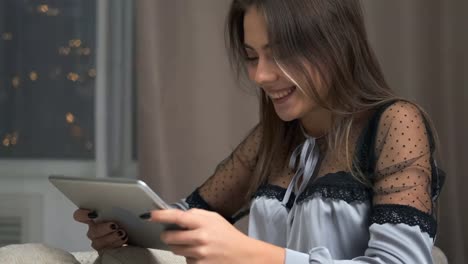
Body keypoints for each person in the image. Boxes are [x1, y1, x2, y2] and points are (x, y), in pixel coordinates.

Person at [74, 0, 445, 263]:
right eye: (252, 56)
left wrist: (253, 256)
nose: (260, 75)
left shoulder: (395, 123)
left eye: (279, 53)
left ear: (334, 46)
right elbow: (188, 216)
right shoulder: (275, 137)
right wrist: (122, 227)